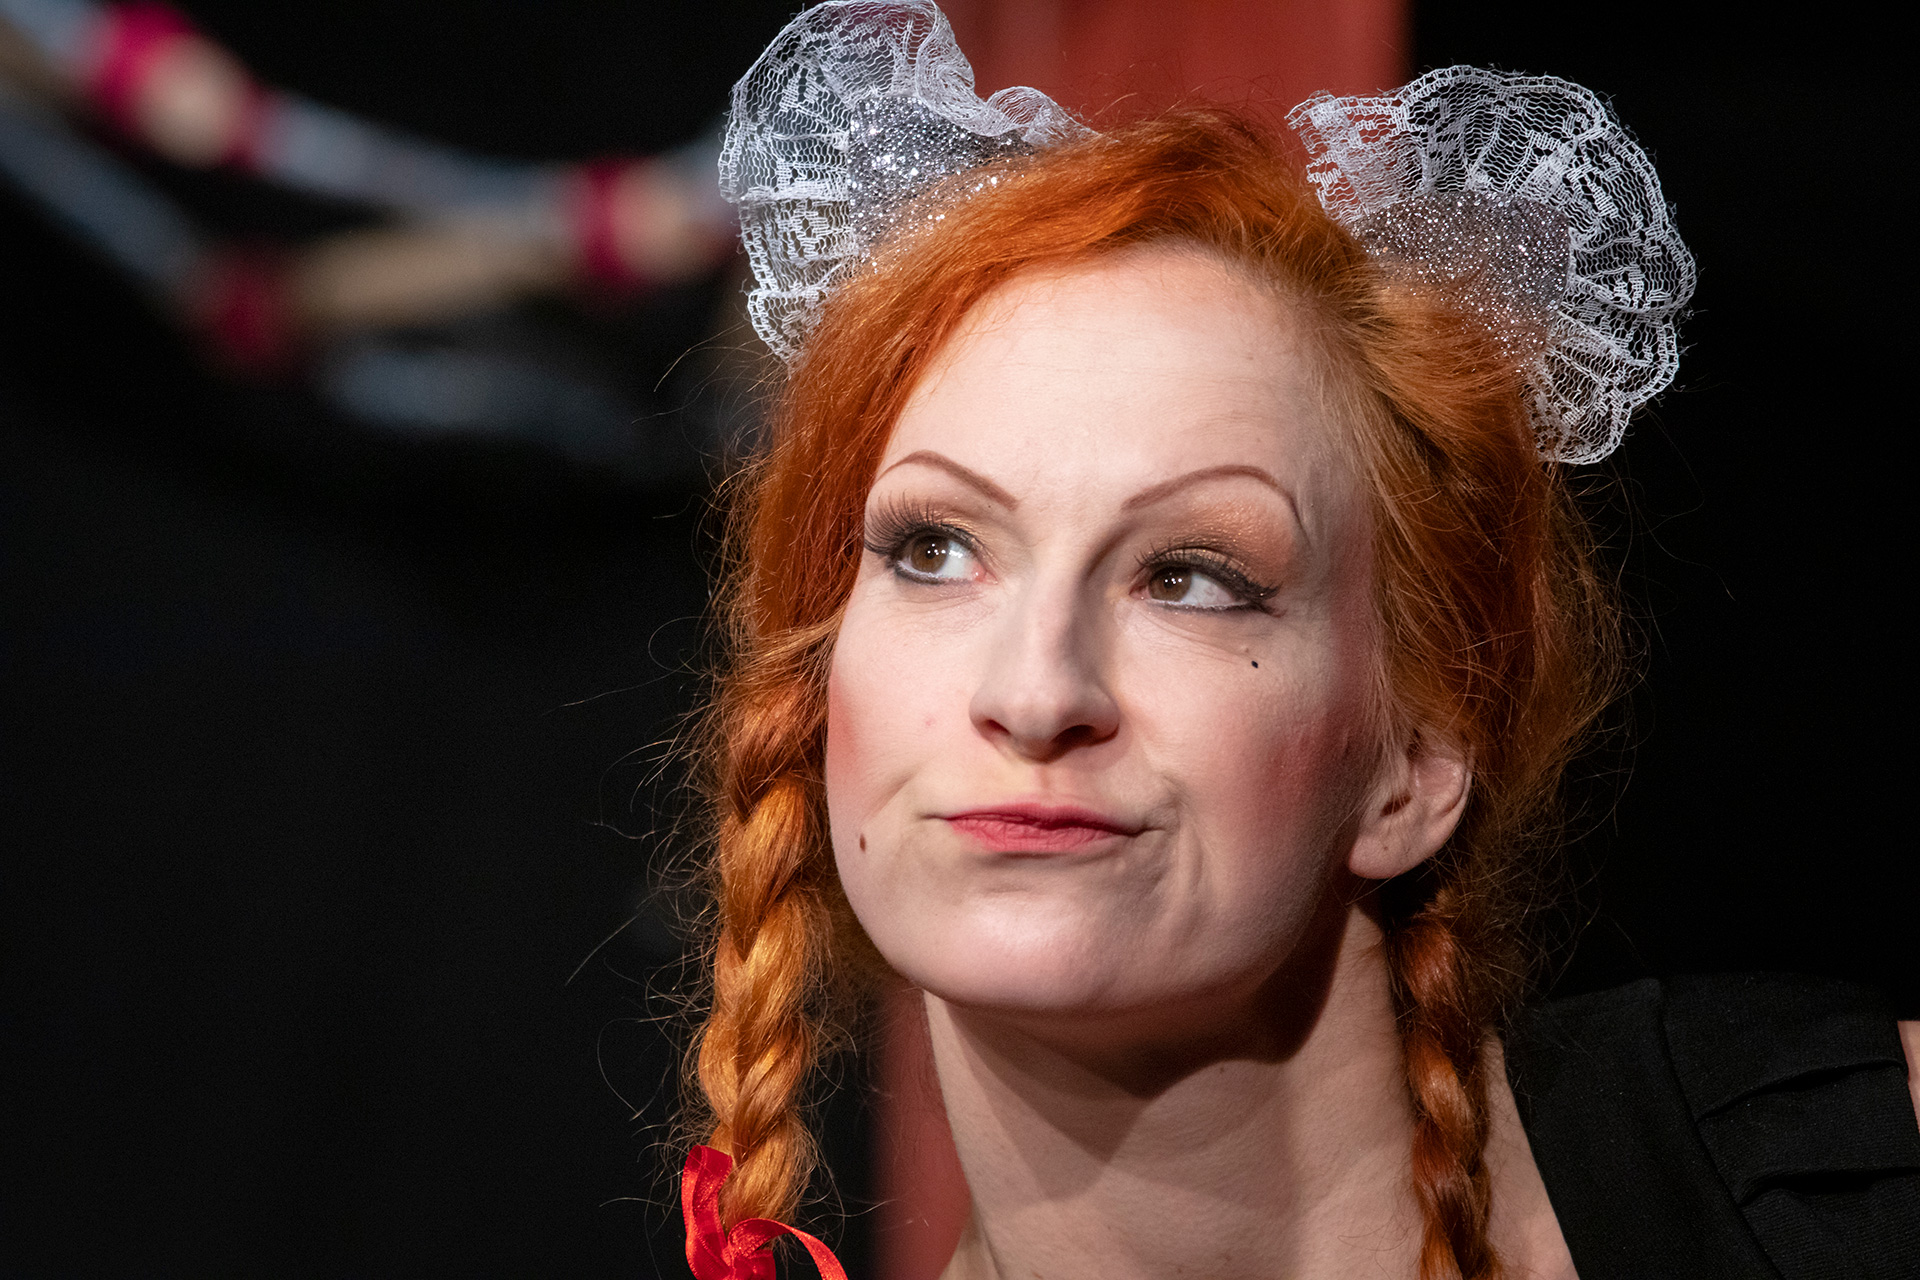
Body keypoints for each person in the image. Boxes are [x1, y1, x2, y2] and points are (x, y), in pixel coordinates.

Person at [674, 4, 1920, 1278]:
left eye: (1191, 579)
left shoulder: (1848, 1185)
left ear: (1419, 752)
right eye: (935, 549)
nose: (1036, 691)